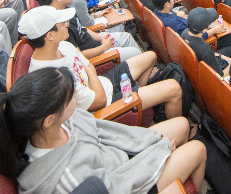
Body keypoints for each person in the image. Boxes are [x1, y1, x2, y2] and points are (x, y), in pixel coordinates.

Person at [0, 68, 206, 193]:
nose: (77, 93)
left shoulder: (56, 123)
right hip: (130, 183)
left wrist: (154, 142)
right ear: (49, 120)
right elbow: (119, 186)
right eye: (70, 95)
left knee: (182, 125)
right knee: (198, 149)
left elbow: (108, 131)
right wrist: (160, 152)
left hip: (118, 159)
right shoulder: (67, 179)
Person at [20, 7, 183, 119]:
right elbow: (99, 101)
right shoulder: (50, 78)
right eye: (62, 24)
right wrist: (91, 72)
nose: (67, 26)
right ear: (49, 35)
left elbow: (89, 66)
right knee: (174, 89)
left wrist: (91, 73)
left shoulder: (63, 44)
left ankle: (138, 94)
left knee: (150, 57)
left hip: (103, 82)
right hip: (105, 102)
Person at [30, 0, 141, 61]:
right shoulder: (57, 26)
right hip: (94, 53)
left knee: (126, 37)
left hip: (95, 42)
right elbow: (77, 55)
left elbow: (82, 28)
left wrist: (101, 38)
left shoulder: (66, 9)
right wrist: (103, 47)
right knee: (136, 53)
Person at [181, 8, 231, 77]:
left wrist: (222, 56)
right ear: (205, 30)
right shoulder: (205, 49)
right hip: (213, 73)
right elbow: (220, 76)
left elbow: (209, 55)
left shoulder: (185, 33)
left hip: (202, 62)